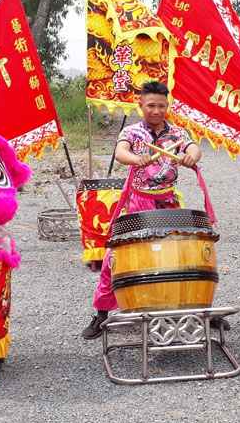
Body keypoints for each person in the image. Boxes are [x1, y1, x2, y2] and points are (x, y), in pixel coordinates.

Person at [81, 81, 202, 339]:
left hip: (169, 205)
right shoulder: (133, 131)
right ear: (141, 106)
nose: (156, 110)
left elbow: (193, 147)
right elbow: (121, 151)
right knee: (115, 258)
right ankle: (101, 315)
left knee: (185, 258)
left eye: (161, 106)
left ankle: (199, 310)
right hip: (136, 204)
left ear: (167, 106)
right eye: (151, 105)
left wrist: (192, 155)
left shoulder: (177, 133)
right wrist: (137, 159)